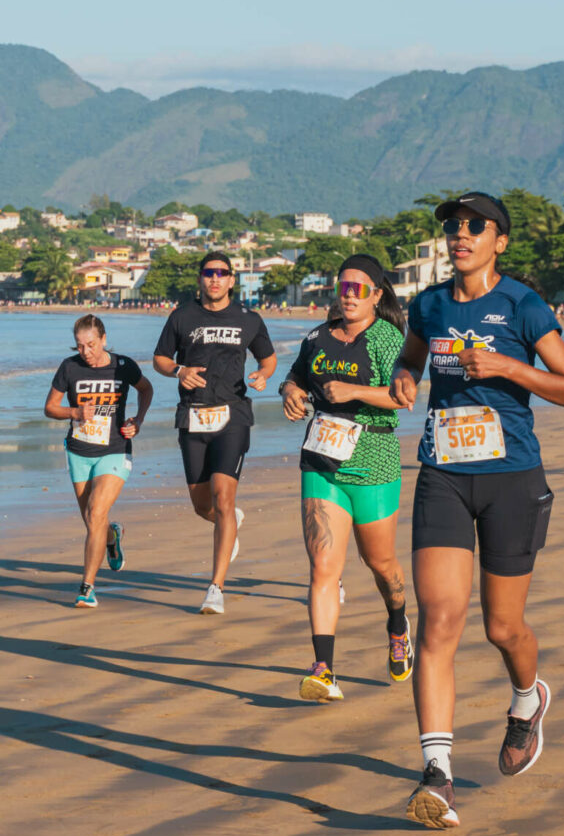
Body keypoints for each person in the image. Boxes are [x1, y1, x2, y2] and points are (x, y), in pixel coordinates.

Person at [389, 191, 564, 829]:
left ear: (499, 241)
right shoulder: (430, 304)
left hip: (511, 480)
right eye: (453, 226)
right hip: (443, 475)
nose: (461, 234)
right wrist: (403, 380)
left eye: (476, 226)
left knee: (502, 629)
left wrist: (509, 365)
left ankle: (528, 699)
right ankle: (438, 776)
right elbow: (409, 364)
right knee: (438, 621)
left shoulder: (522, 305)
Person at [280, 254, 413, 701]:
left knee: (380, 564)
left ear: (377, 295)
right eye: (344, 287)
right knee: (323, 566)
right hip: (321, 460)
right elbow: (295, 377)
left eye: (360, 288)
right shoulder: (318, 336)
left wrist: (354, 391)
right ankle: (324, 669)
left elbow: (403, 396)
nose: (349, 295)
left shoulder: (386, 339)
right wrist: (292, 393)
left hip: (373, 459)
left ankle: (397, 622)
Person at [153, 252, 277, 613]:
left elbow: (267, 357)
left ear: (232, 280)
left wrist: (264, 375)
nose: (215, 279)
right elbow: (159, 358)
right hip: (192, 416)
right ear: (200, 279)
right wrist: (178, 371)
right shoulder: (182, 316)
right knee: (202, 504)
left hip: (232, 415)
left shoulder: (248, 319)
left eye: (222, 273)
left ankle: (215, 588)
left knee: (224, 497)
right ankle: (230, 522)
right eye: (209, 273)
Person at [44, 314, 153, 607]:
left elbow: (146, 388)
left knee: (95, 513)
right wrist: (74, 413)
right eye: (79, 346)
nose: (86, 352)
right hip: (78, 452)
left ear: (103, 339)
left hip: (115, 450)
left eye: (91, 345)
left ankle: (87, 588)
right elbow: (50, 408)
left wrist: (138, 421)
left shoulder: (123, 366)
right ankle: (111, 537)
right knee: (92, 520)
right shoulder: (70, 367)